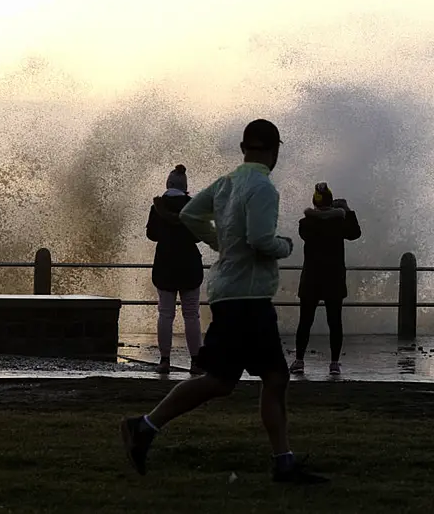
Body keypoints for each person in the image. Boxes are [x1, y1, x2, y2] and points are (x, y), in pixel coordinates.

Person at [120, 119, 328, 484]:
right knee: (251, 378)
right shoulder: (263, 187)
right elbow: (262, 240)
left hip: (229, 293)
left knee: (240, 379)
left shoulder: (226, 183)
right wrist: (286, 246)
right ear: (273, 149)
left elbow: (188, 215)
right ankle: (147, 426)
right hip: (248, 297)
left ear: (245, 147)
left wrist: (219, 243)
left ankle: (148, 427)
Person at [289, 182, 362, 376]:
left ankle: (299, 360)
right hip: (334, 278)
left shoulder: (305, 223)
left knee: (305, 321)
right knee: (335, 322)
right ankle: (334, 363)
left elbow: (309, 230)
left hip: (311, 278)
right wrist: (346, 210)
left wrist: (329, 213)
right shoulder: (339, 222)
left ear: (314, 202)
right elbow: (355, 234)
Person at [146, 164, 205, 375]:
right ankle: (196, 361)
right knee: (191, 315)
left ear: (168, 184)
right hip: (189, 265)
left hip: (165, 265)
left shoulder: (158, 207)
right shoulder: (192, 205)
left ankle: (164, 360)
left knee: (165, 314)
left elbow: (151, 235)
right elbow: (199, 236)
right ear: (185, 186)